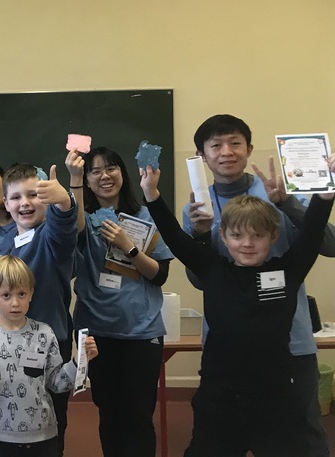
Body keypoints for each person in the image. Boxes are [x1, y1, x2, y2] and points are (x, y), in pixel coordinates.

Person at [140, 157, 335, 456]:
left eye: (257, 236)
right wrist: (152, 194)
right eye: (237, 235)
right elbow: (174, 235)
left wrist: (325, 194)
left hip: (278, 399)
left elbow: (311, 233)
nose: (247, 243)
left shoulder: (288, 271)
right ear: (223, 236)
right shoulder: (212, 269)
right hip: (220, 399)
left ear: (273, 237)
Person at [183, 114, 335, 455]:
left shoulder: (280, 190)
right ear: (202, 155)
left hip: (290, 344)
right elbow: (200, 280)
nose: (226, 152)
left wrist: (287, 204)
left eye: (235, 143)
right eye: (216, 145)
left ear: (249, 148)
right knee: (220, 440)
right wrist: (199, 234)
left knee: (298, 441)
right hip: (227, 348)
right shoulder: (196, 206)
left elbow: (328, 245)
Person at [66, 147, 172, 457]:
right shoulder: (83, 219)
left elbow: (159, 275)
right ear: (87, 179)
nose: (104, 176)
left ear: (122, 173)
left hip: (141, 331)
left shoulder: (147, 215)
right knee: (109, 412)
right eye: (95, 171)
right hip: (96, 331)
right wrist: (73, 179)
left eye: (111, 168)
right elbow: (74, 232)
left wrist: (129, 247)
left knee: (138, 415)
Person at [0, 255, 98, 457]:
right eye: (6, 295)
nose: (15, 303)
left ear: (31, 294)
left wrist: (80, 361)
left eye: (22, 294)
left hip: (41, 434)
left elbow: (56, 383)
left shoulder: (44, 334)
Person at [0, 163, 77, 456]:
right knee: (9, 413)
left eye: (33, 195)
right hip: (7, 344)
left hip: (49, 345)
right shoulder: (7, 241)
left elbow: (65, 227)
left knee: (50, 420)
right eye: (16, 197)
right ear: (5, 204)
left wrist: (63, 201)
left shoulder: (50, 235)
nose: (25, 203)